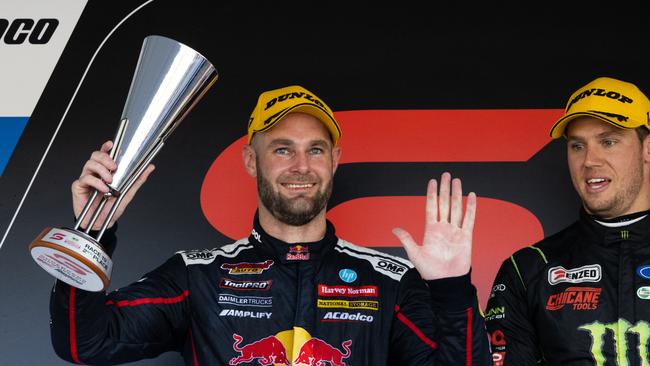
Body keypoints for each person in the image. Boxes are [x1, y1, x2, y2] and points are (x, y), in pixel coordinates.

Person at [50, 85, 490, 365]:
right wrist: (91, 233)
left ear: (334, 161)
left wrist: (452, 290)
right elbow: (84, 343)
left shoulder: (390, 282)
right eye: (282, 149)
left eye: (316, 150)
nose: (301, 166)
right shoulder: (196, 275)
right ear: (250, 160)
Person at [485, 76, 650, 365]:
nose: (589, 160)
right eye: (577, 146)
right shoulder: (528, 269)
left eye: (608, 141)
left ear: (647, 149)